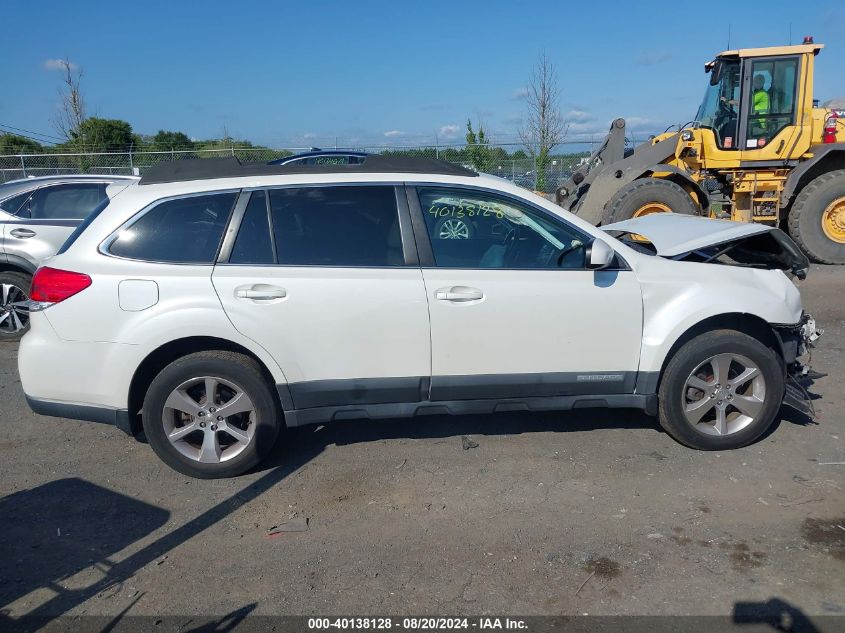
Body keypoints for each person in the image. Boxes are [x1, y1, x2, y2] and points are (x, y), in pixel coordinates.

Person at [751, 74, 770, 139]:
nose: (753, 84)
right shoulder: (758, 93)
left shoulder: (762, 94)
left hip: (759, 124)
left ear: (761, 83)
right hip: (757, 122)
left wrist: (727, 101)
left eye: (755, 82)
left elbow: (746, 102)